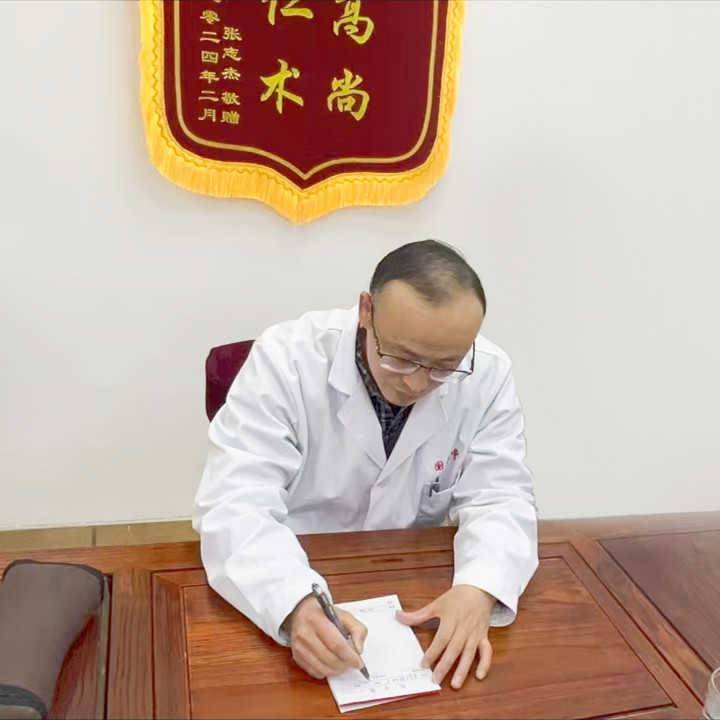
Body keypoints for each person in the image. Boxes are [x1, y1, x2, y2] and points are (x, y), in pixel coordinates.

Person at [194, 240, 538, 690]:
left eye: (443, 367)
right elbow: (234, 504)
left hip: (411, 582)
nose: (417, 383)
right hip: (294, 564)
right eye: (401, 358)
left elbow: (501, 496)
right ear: (366, 311)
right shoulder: (287, 359)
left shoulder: (487, 372)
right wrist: (294, 604)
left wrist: (480, 588)